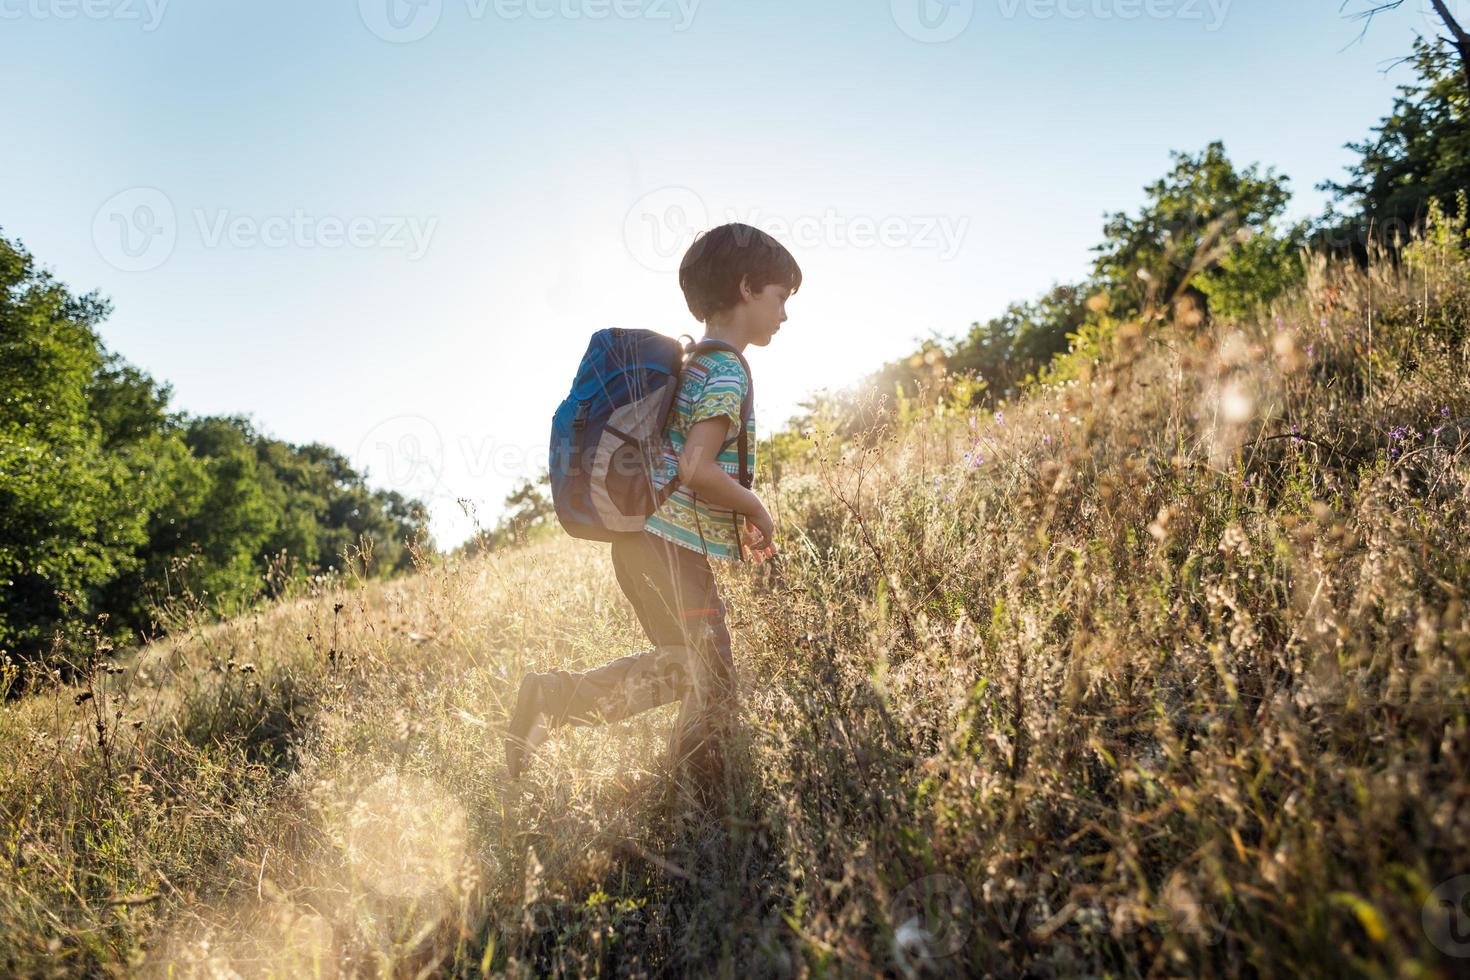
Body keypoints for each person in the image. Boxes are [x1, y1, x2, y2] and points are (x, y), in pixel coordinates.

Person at [504, 222, 801, 791]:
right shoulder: (726, 370)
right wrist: (755, 506)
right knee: (712, 684)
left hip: (642, 544)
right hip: (670, 550)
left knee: (684, 668)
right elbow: (697, 466)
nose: (785, 314)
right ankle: (703, 801)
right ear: (746, 287)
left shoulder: (690, 364)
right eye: (780, 297)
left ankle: (554, 703)